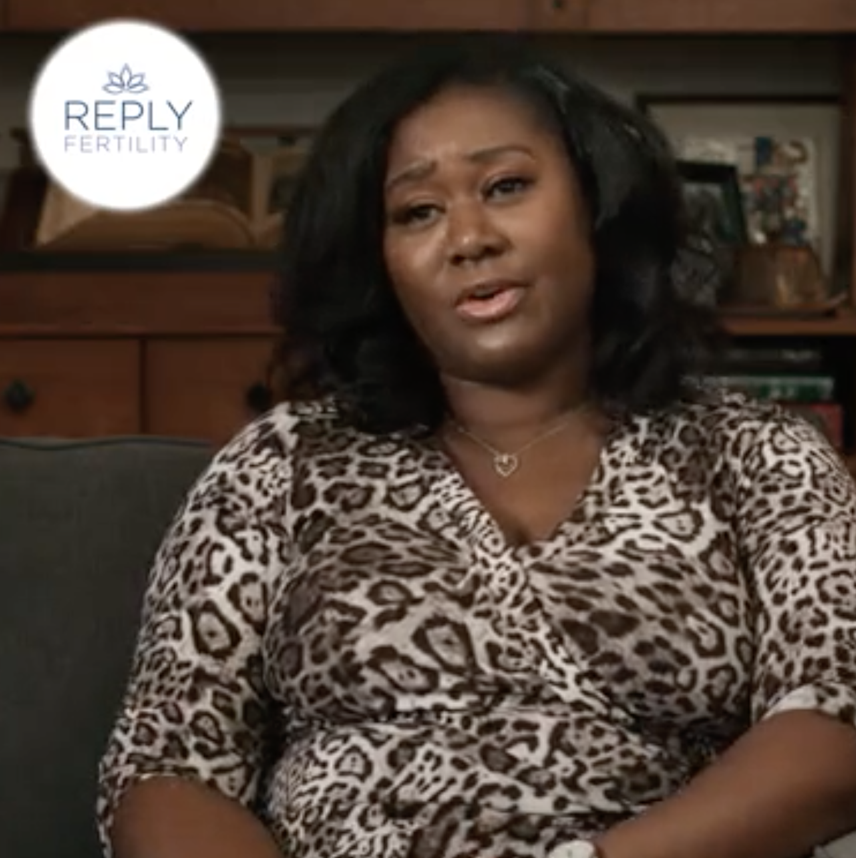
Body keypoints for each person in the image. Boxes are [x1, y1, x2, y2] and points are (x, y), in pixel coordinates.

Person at [96, 35, 856, 858]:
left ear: (598, 210)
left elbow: (837, 723)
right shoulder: (279, 464)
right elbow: (164, 771)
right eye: (418, 211)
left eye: (506, 186)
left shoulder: (758, 453)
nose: (468, 238)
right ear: (379, 260)